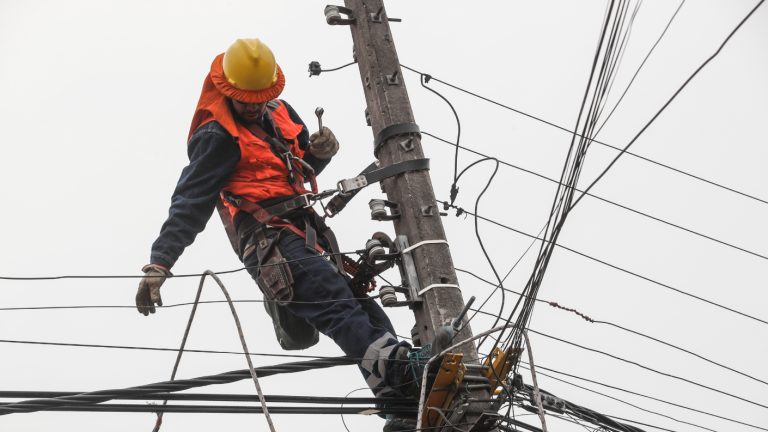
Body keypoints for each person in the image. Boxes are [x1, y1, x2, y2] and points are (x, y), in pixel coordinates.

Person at [134, 38, 424, 429]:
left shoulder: (280, 111)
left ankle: (399, 402)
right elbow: (190, 203)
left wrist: (320, 153)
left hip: (306, 232)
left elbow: (296, 169)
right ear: (227, 90)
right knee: (335, 305)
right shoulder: (216, 136)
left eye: (260, 98)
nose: (254, 106)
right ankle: (402, 371)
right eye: (246, 100)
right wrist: (160, 264)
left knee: (363, 309)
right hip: (267, 240)